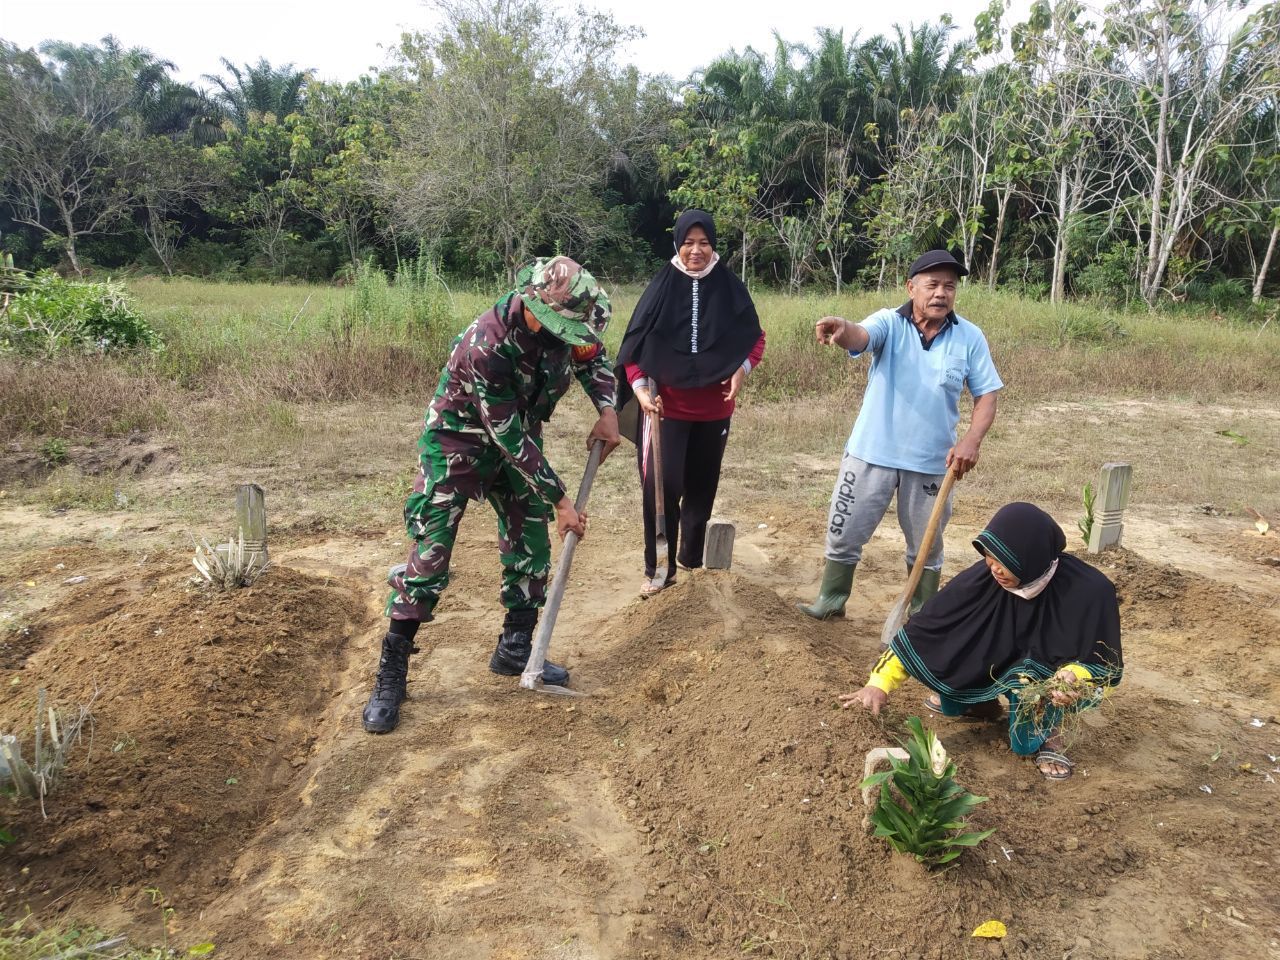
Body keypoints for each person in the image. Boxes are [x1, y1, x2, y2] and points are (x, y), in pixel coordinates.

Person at [361, 256, 621, 734]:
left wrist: (607, 408)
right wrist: (561, 500)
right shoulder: (489, 344)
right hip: (457, 441)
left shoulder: (565, 327)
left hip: (517, 438)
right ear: (536, 307)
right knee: (431, 552)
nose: (572, 335)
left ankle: (515, 647)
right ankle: (392, 672)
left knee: (531, 543)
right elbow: (506, 435)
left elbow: (594, 358)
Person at [840, 502, 1123, 779]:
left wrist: (1074, 677)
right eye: (990, 556)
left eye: (1005, 562)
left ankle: (1052, 736)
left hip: (1043, 679)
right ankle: (981, 703)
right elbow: (924, 634)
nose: (994, 569)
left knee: (1026, 733)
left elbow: (1102, 665)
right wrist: (879, 684)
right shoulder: (979, 581)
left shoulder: (1089, 593)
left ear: (1032, 557)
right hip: (998, 662)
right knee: (952, 681)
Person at [798, 249, 1002, 621]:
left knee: (926, 544)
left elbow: (986, 394)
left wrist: (971, 439)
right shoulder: (889, 322)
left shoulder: (969, 337)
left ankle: (923, 613)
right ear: (911, 288)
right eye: (932, 285)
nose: (941, 293)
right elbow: (861, 337)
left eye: (950, 287)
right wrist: (843, 329)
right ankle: (831, 597)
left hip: (932, 462)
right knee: (844, 531)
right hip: (870, 454)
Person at [614, 210, 766, 595]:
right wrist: (640, 389)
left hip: (715, 411)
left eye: (704, 242)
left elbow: (754, 337)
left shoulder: (730, 287)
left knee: (702, 489)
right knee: (661, 488)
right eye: (688, 242)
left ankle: (692, 565)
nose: (695, 251)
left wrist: (743, 369)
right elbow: (634, 347)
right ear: (677, 244)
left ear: (713, 245)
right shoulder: (661, 287)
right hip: (665, 410)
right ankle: (659, 570)